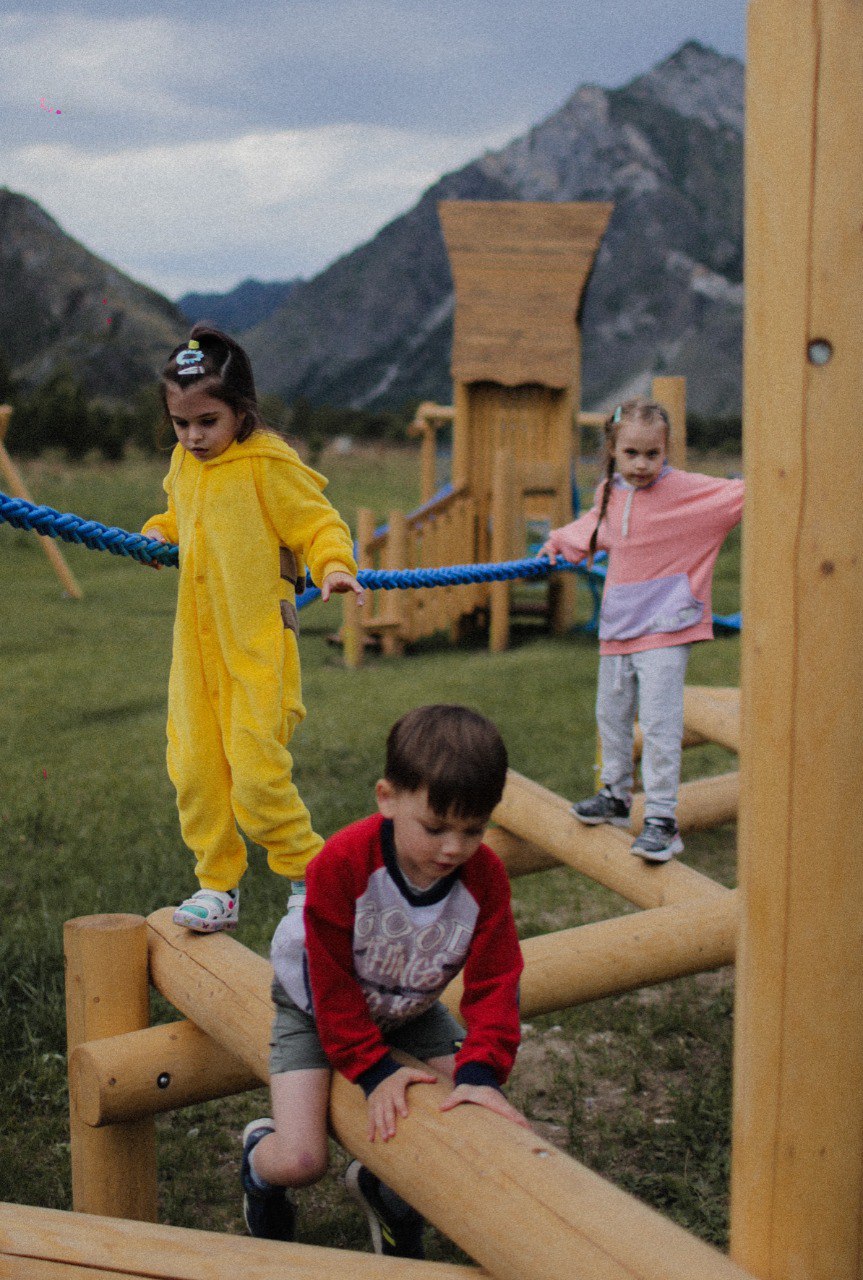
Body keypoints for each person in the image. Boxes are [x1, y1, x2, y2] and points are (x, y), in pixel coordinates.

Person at [240, 704, 529, 1259]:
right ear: (387, 798)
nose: (453, 848)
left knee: (469, 1103)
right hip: (317, 1006)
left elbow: (497, 978)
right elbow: (330, 981)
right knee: (302, 1159)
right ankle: (258, 1163)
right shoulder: (341, 864)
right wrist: (373, 1070)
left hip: (410, 1008)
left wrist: (481, 1068)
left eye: (473, 830)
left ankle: (389, 1191)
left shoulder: (485, 877)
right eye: (436, 827)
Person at [142, 325, 363, 931]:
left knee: (257, 776)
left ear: (241, 410)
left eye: (207, 422)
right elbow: (176, 512)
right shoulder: (185, 466)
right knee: (193, 771)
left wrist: (335, 566)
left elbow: (318, 526)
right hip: (196, 649)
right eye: (180, 424)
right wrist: (160, 532)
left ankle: (310, 874)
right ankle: (218, 885)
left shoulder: (269, 465)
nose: (192, 437)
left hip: (257, 645)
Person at [539, 398, 744, 863]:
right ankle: (614, 794)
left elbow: (745, 494)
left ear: (666, 450)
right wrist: (557, 545)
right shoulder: (610, 494)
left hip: (667, 628)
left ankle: (662, 821)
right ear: (613, 450)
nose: (642, 464)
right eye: (631, 453)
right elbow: (591, 530)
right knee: (611, 716)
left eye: (653, 454)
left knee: (658, 725)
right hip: (619, 627)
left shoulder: (687, 492)